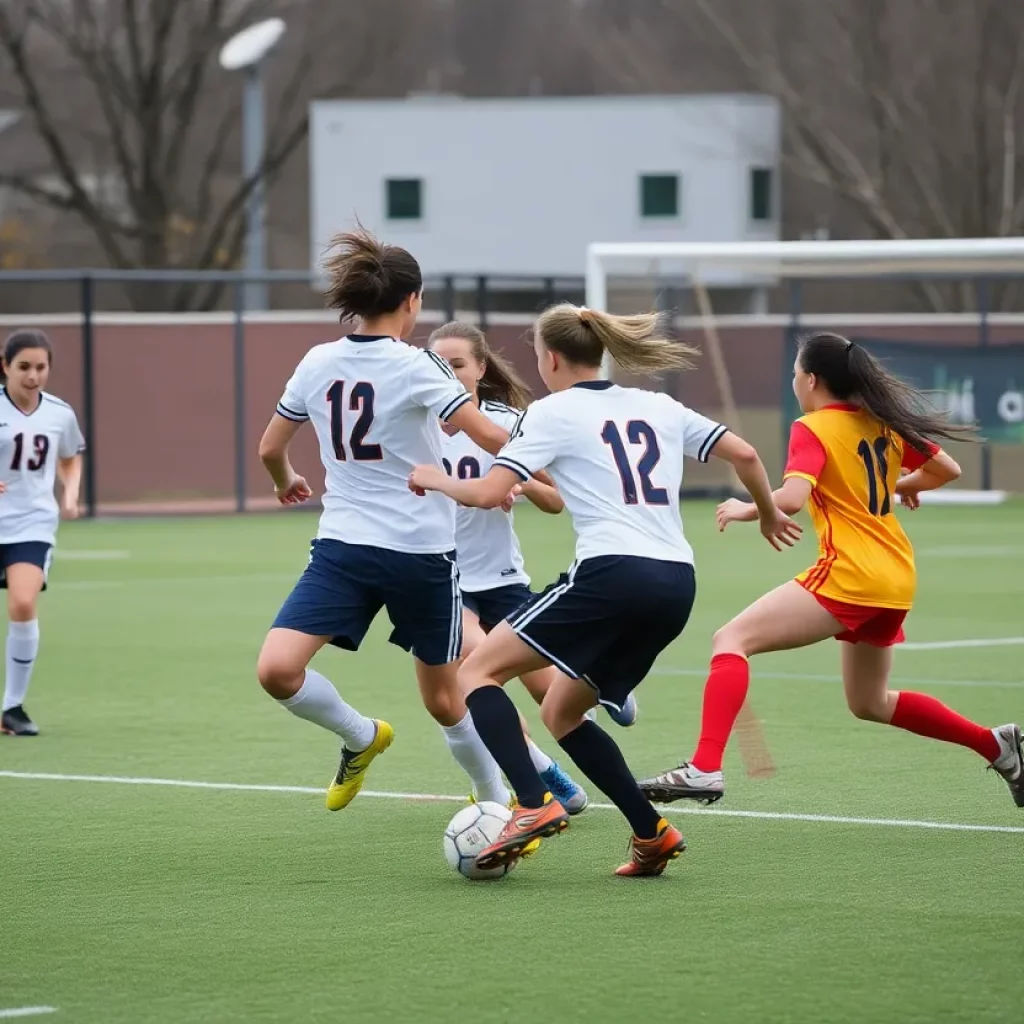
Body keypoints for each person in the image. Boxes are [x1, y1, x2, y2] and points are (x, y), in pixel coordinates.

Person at [408, 304, 798, 876]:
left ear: (552, 358)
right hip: (676, 584)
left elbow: (492, 493)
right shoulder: (657, 405)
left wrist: (434, 477)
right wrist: (766, 512)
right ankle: (652, 833)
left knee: (475, 674)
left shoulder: (552, 412)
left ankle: (533, 804)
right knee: (562, 713)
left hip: (612, 574)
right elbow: (745, 453)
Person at [638, 332, 1023, 809]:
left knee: (730, 640)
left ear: (812, 379)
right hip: (896, 578)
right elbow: (948, 468)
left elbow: (793, 500)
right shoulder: (881, 422)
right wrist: (895, 484)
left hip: (852, 574)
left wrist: (749, 507)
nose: (794, 382)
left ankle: (705, 767)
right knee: (870, 702)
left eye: (795, 374)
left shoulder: (812, 427)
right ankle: (997, 745)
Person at [256, 229, 525, 813]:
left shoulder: (320, 359)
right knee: (281, 667)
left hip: (421, 556)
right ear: (413, 301)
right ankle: (361, 735)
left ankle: (493, 801)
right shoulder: (420, 367)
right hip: (344, 550)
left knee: (440, 698)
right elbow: (491, 436)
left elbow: (270, 449)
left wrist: (285, 482)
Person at [429, 321, 589, 815]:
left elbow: (555, 500)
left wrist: (518, 486)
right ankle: (538, 772)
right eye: (439, 366)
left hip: (502, 578)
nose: (449, 374)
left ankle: (603, 688)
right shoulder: (413, 423)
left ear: (480, 367)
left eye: (458, 364)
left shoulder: (506, 423)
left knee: (550, 694)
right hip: (444, 581)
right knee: (474, 675)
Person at [0, 329, 85, 737]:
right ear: (5, 367)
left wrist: (70, 495)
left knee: (21, 601)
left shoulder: (59, 414)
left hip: (31, 524)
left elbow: (70, 459)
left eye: (41, 367)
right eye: (24, 367)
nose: (33, 376)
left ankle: (11, 707)